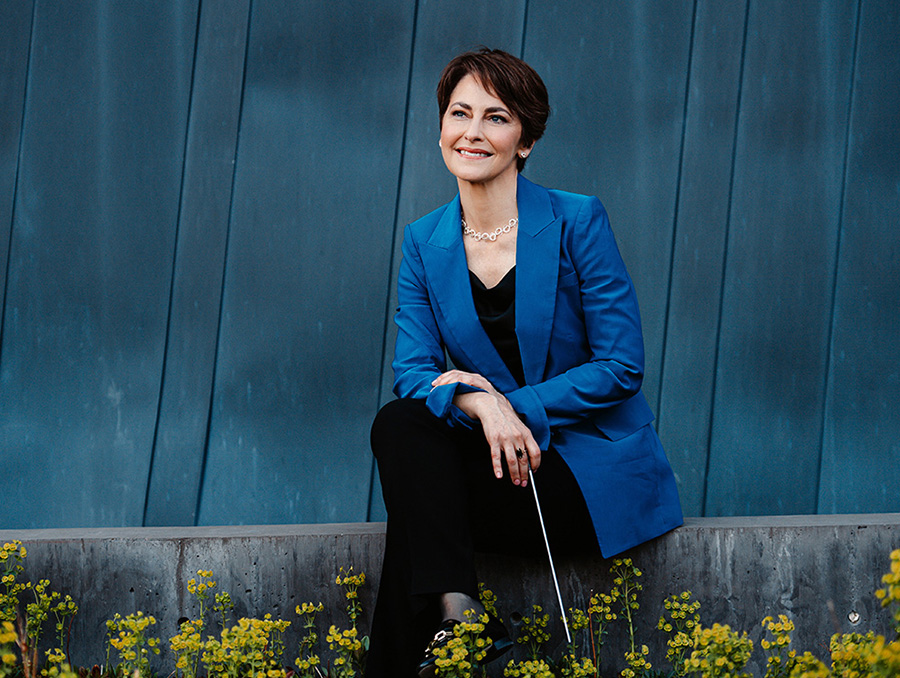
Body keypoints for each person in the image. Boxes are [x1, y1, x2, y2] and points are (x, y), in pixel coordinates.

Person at [366, 48, 682, 678]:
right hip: (498, 469)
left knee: (412, 525)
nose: (473, 132)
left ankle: (447, 630)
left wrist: (516, 407)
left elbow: (621, 364)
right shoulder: (424, 242)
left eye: (496, 117)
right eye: (460, 113)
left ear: (527, 139)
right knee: (399, 423)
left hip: (584, 477)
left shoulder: (577, 219)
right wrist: (482, 404)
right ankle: (462, 617)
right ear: (440, 128)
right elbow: (413, 372)